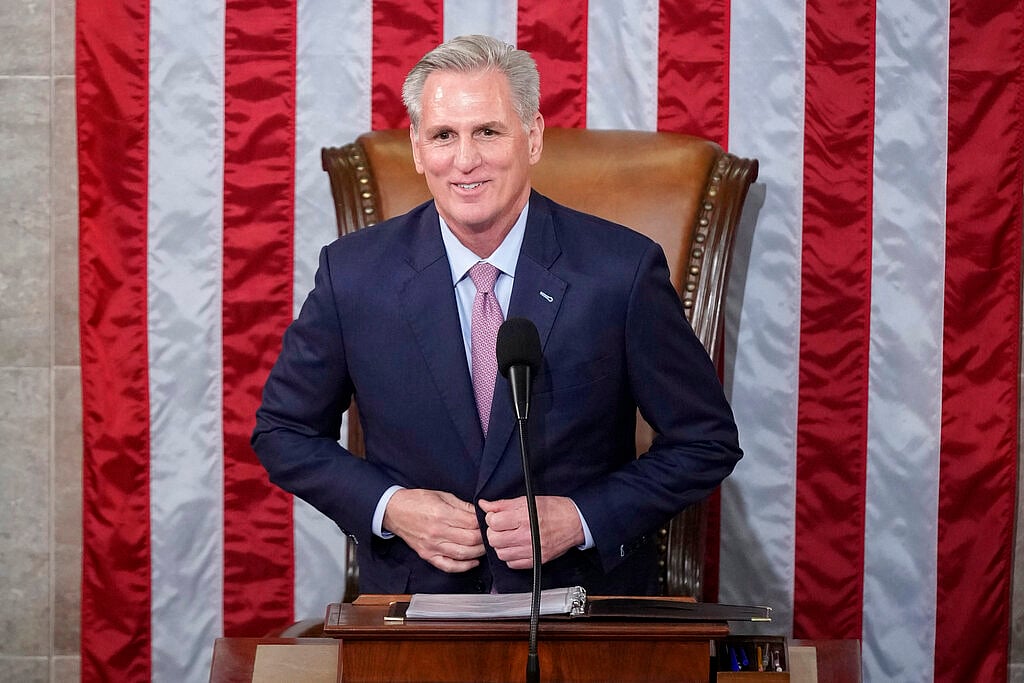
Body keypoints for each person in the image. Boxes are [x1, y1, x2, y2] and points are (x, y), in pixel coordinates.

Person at [252, 34, 742, 596]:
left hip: (579, 603)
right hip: (414, 606)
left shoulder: (620, 272)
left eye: (487, 131)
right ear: (417, 148)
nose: (465, 160)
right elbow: (284, 432)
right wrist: (392, 508)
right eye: (443, 135)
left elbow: (705, 441)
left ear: (532, 137)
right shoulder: (354, 275)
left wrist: (582, 518)